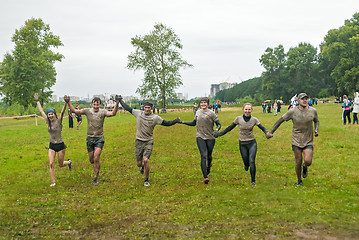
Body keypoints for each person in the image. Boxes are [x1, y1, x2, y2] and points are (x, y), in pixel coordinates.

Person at [118, 96, 181, 187]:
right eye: (145, 107)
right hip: (139, 141)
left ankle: (146, 180)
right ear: (143, 108)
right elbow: (128, 108)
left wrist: (175, 121)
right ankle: (142, 167)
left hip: (148, 141)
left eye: (148, 108)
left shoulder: (155, 118)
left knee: (146, 160)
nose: (147, 109)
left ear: (151, 108)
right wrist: (120, 101)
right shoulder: (138, 113)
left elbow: (166, 123)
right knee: (139, 164)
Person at [266, 93, 319, 187]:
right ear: (298, 101)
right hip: (296, 139)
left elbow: (316, 121)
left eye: (306, 98)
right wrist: (271, 132)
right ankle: (299, 181)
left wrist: (316, 129)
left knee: (308, 161)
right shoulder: (292, 111)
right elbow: (280, 120)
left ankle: (305, 167)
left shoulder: (313, 111)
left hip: (308, 140)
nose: (305, 100)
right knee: (298, 161)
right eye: (302, 99)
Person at [65, 95, 119, 186]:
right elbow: (74, 111)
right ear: (92, 104)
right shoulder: (88, 111)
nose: (95, 106)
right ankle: (96, 166)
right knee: (92, 160)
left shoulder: (103, 112)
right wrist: (68, 102)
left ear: (100, 105)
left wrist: (117, 102)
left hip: (99, 138)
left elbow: (113, 113)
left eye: (97, 105)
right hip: (90, 138)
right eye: (94, 104)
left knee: (96, 157)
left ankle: (95, 178)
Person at [215, 103, 268, 186]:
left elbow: (262, 127)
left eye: (249, 109)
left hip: (252, 143)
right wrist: (220, 134)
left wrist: (267, 132)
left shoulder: (254, 119)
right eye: (246, 109)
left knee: (252, 161)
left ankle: (253, 181)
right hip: (242, 143)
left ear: (251, 110)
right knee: (246, 162)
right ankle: (246, 165)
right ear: (243, 110)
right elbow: (230, 128)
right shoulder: (238, 119)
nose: (247, 111)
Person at [180, 97, 221, 184]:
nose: (203, 104)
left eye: (204, 103)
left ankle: (209, 165)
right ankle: (205, 177)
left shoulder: (212, 113)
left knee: (209, 155)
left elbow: (219, 124)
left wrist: (216, 130)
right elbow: (193, 123)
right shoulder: (197, 112)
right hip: (200, 136)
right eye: (201, 103)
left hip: (210, 137)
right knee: (203, 155)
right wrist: (183, 122)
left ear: (208, 104)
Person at [34, 93, 72, 187]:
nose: (50, 116)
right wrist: (38, 101)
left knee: (60, 164)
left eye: (51, 114)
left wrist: (66, 103)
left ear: (54, 114)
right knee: (51, 163)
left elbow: (62, 112)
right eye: (49, 115)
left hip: (60, 145)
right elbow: (41, 111)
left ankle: (69, 162)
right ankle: (53, 181)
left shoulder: (58, 121)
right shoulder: (48, 122)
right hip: (51, 145)